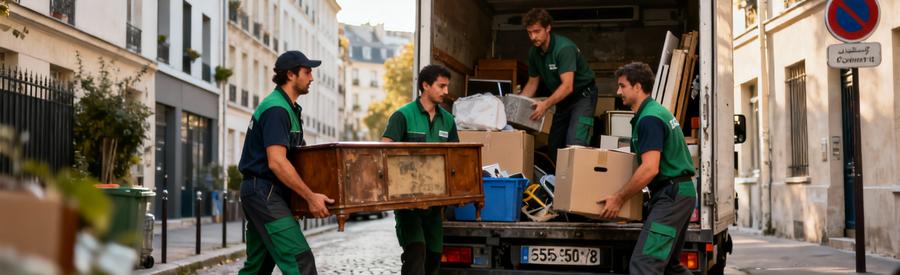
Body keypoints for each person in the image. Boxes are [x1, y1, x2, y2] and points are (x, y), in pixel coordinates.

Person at [237, 50, 334, 275]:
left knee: (257, 267)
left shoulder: (288, 108)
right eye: (307, 72)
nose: (312, 78)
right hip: (264, 193)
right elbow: (277, 163)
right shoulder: (277, 109)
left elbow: (296, 160)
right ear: (291, 75)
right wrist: (310, 198)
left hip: (265, 192)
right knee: (301, 262)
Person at [598, 62, 696, 275]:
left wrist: (619, 198)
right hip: (678, 193)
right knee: (670, 266)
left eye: (622, 86)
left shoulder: (649, 119)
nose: (618, 91)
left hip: (671, 196)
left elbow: (650, 168)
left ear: (637, 87)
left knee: (644, 265)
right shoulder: (652, 113)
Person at [381, 64, 459, 274]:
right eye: (441, 86)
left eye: (446, 86)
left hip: (435, 207)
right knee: (416, 254)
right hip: (408, 206)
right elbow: (382, 152)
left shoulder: (449, 121)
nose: (446, 92)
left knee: (434, 258)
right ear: (425, 85)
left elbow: (456, 160)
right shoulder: (403, 116)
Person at [517, 8, 598, 161]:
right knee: (554, 146)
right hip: (563, 100)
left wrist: (545, 104)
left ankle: (578, 184)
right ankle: (555, 183)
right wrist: (517, 103)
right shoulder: (534, 53)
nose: (533, 37)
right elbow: (532, 84)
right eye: (529, 33)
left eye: (537, 31)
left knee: (575, 144)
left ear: (548, 28)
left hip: (582, 96)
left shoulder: (563, 48)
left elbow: (568, 86)